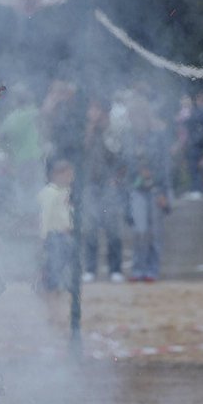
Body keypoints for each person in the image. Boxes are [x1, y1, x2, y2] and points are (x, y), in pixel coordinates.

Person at [122, 100, 173, 282]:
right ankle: (138, 268)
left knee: (154, 231)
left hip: (155, 189)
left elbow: (164, 165)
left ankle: (153, 269)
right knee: (140, 230)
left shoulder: (158, 137)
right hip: (136, 189)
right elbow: (125, 163)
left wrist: (164, 193)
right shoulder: (128, 137)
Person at [81, 97, 126, 283]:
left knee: (113, 229)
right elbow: (81, 150)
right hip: (90, 185)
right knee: (90, 229)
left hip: (108, 184)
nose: (93, 113)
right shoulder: (86, 130)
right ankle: (90, 268)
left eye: (96, 109)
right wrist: (91, 129)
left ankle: (116, 269)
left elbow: (119, 155)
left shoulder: (113, 130)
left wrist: (116, 180)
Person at [36, 158, 74, 325]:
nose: (70, 177)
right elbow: (44, 217)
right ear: (57, 174)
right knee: (52, 277)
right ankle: (52, 312)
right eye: (67, 174)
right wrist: (43, 239)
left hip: (64, 237)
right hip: (53, 237)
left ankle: (57, 312)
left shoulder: (64, 191)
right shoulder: (49, 192)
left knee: (60, 277)